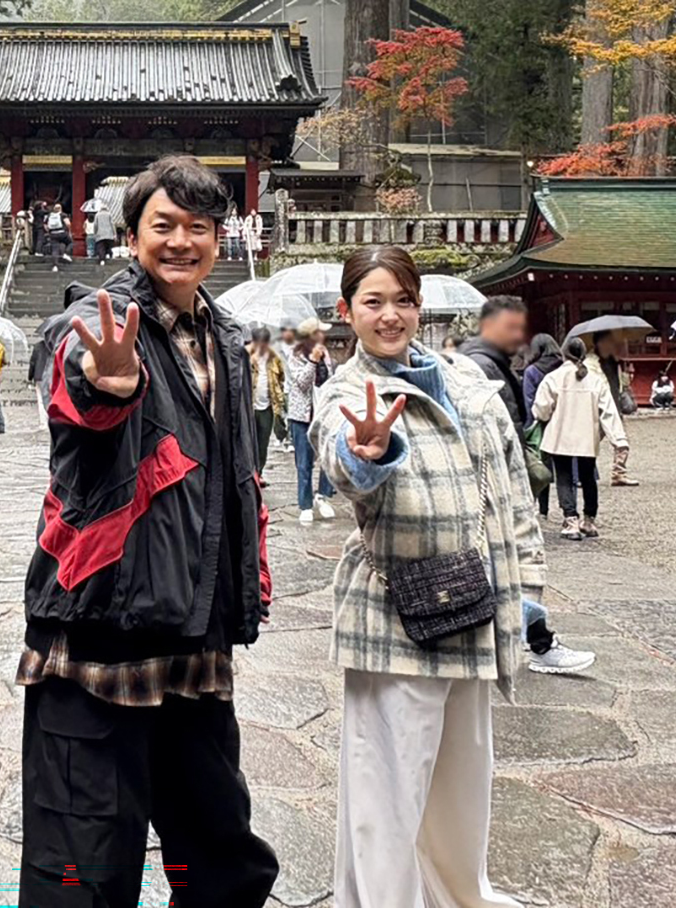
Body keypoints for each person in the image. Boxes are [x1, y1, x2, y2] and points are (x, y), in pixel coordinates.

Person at [17, 155, 278, 907]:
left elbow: (234, 476)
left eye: (199, 226)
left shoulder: (226, 338)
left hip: (194, 631)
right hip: (101, 632)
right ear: (130, 237)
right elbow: (83, 389)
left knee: (220, 860)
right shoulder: (95, 323)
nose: (181, 241)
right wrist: (110, 385)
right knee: (83, 873)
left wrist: (245, 590)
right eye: (163, 225)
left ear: (220, 239)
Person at [310, 246, 542, 908]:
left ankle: (458, 894)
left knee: (461, 783)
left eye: (403, 301)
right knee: (386, 789)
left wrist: (529, 587)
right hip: (396, 616)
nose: (390, 315)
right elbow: (342, 459)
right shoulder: (347, 393)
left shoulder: (466, 381)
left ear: (420, 307)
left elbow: (513, 490)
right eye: (373, 302)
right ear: (347, 311)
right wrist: (368, 452)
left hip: (475, 603)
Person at [532, 337, 627, 540]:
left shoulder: (553, 378)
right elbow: (609, 411)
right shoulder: (595, 380)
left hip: (560, 435)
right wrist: (619, 440)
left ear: (564, 354)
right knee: (588, 477)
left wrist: (545, 417)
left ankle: (570, 520)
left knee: (564, 477)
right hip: (587, 435)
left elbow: (541, 410)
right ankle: (589, 520)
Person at [288, 316, 337, 524]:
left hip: (323, 414)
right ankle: (305, 505)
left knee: (328, 459)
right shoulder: (295, 355)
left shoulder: (326, 353)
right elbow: (302, 384)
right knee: (304, 463)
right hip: (302, 417)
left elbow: (329, 381)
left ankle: (322, 496)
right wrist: (313, 361)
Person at [459, 295, 529, 427]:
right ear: (487, 325)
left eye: (521, 328)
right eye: (511, 327)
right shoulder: (480, 366)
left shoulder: (497, 363)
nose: (518, 335)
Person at [587, 331, 640, 486]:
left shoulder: (614, 361)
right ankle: (583, 473)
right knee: (589, 443)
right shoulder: (590, 364)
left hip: (614, 404)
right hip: (598, 407)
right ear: (599, 343)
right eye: (609, 341)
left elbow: (620, 384)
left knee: (621, 442)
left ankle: (619, 473)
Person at [520, 333, 562, 519]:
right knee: (565, 469)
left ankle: (541, 509)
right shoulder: (563, 368)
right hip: (561, 422)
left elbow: (529, 400)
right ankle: (570, 511)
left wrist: (529, 425)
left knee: (540, 466)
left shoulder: (532, 371)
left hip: (540, 423)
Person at [248, 325, 286, 483]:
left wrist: (278, 397)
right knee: (249, 442)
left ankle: (259, 472)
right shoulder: (247, 358)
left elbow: (281, 378)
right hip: (249, 407)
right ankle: (249, 473)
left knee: (263, 442)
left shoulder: (274, 359)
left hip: (268, 407)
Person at [45, 202, 72, 267]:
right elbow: (68, 223)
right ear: (60, 208)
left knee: (55, 249)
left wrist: (49, 231)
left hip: (53, 234)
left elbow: (45, 225)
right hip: (62, 233)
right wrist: (68, 230)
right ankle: (66, 253)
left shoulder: (50, 215)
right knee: (70, 242)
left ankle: (55, 266)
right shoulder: (63, 214)